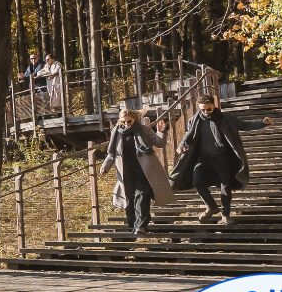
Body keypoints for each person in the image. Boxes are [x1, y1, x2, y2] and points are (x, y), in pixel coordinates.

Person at [168, 94, 272, 224]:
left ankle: (225, 214)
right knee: (197, 181)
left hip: (222, 158)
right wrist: (182, 145)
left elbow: (245, 125)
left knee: (225, 186)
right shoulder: (194, 120)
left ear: (214, 105)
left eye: (209, 109)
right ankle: (212, 206)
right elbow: (188, 134)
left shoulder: (226, 118)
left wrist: (262, 123)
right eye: (202, 109)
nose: (206, 112)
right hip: (203, 159)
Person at [101, 107, 167, 236]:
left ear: (135, 120)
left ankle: (141, 226)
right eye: (123, 122)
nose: (126, 124)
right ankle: (133, 225)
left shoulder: (144, 130)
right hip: (125, 171)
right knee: (129, 199)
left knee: (141, 196)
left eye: (129, 121)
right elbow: (112, 153)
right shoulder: (117, 132)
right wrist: (105, 167)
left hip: (144, 169)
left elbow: (159, 143)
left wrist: (161, 132)